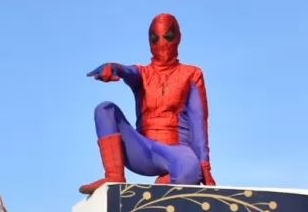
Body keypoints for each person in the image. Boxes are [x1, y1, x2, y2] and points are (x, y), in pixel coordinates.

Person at [78, 13, 215, 194]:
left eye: (168, 36)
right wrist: (115, 67)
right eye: (155, 38)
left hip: (177, 151)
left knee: (189, 170)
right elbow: (128, 71)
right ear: (149, 41)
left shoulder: (191, 74)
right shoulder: (142, 73)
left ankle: (168, 180)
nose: (162, 43)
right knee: (105, 109)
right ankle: (114, 176)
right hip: (142, 150)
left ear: (177, 38)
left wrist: (204, 167)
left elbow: (199, 121)